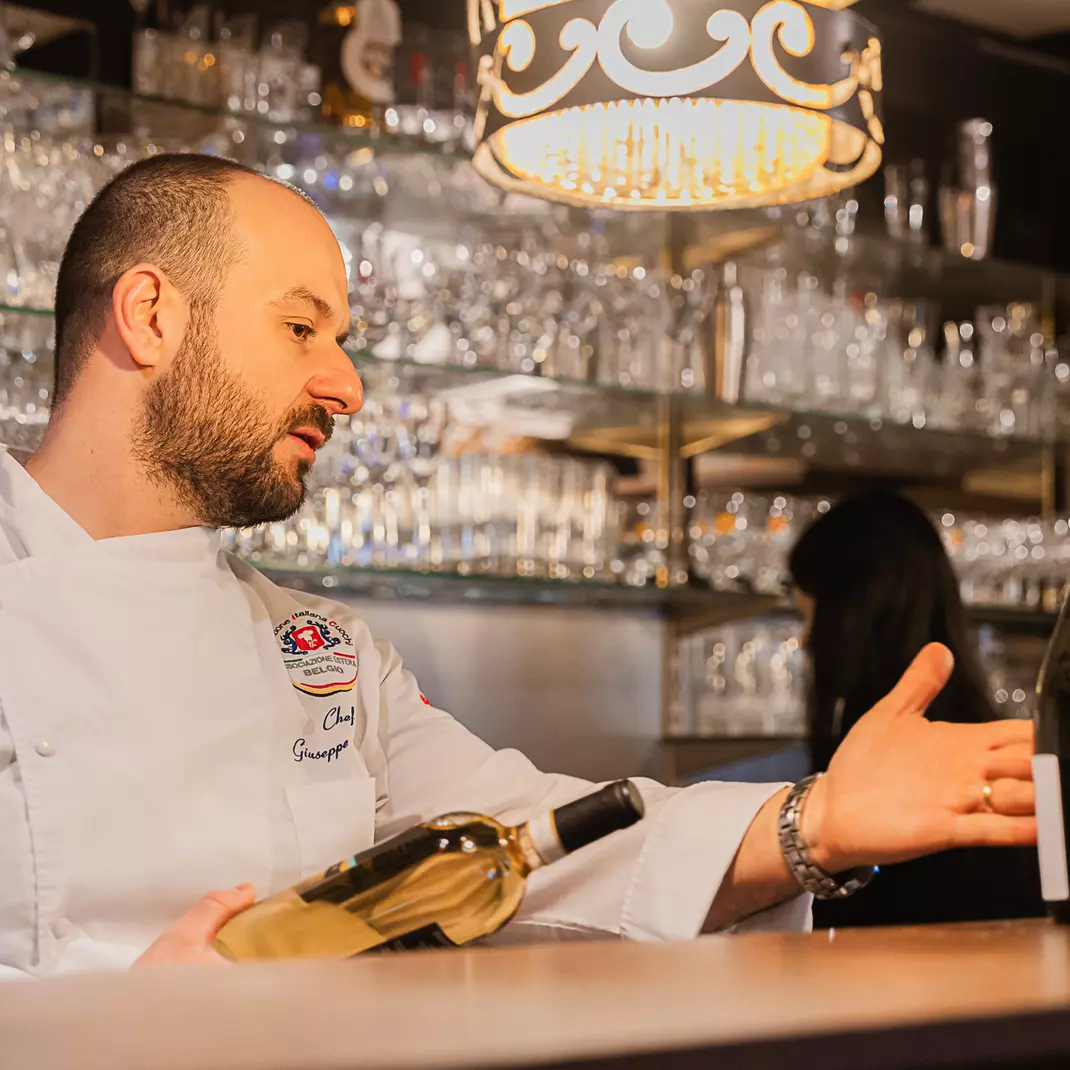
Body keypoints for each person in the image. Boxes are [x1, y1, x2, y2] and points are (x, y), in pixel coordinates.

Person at [0, 155, 1037, 978]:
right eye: (300, 326)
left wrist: (814, 823)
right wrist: (102, 1031)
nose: (347, 384)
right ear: (150, 315)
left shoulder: (321, 651)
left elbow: (528, 840)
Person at [790, 489, 1046, 928]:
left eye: (809, 616)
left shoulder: (877, 749)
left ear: (851, 614)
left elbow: (853, 928)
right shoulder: (977, 729)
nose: (806, 640)